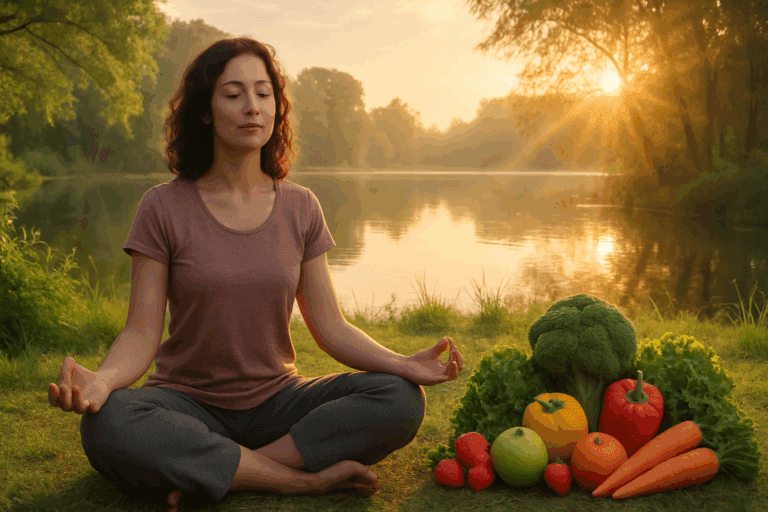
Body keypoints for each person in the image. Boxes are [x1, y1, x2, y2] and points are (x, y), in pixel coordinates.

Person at [47, 37, 464, 512]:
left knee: (398, 398)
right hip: (186, 404)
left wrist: (402, 364)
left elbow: (330, 327)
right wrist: (103, 380)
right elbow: (141, 333)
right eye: (233, 94)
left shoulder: (301, 207)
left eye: (264, 94)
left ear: (277, 107)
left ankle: (227, 471)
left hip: (279, 403)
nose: (252, 108)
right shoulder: (162, 206)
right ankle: (299, 482)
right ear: (205, 111)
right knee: (110, 421)